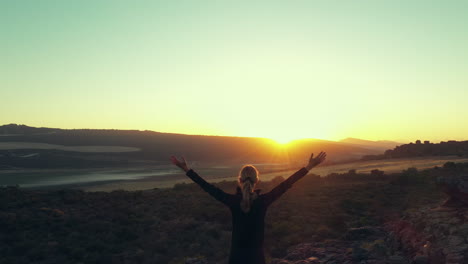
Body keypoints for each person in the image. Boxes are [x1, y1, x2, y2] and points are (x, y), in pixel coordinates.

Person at [170, 152, 327, 264]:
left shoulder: (232, 201)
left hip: (236, 258)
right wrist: (308, 167)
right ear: (256, 180)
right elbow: (286, 184)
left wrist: (187, 170)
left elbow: (206, 187)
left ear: (239, 180)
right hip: (257, 258)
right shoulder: (263, 201)